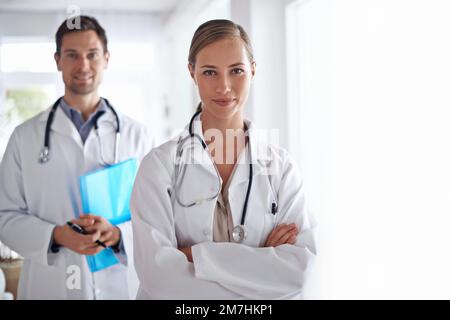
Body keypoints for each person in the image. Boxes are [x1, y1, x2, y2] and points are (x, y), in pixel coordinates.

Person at [130, 19, 316, 299]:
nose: (224, 86)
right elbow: (160, 279)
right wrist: (260, 260)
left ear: (253, 71)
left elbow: (299, 272)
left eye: (237, 71)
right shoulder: (159, 166)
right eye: (209, 72)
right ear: (192, 72)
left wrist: (195, 257)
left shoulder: (281, 168)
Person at [0, 15, 153, 299]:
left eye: (92, 54)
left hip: (118, 285)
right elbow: (4, 216)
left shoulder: (138, 136)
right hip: (50, 286)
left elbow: (157, 218)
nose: (83, 65)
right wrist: (55, 235)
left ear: (106, 58)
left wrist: (119, 235)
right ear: (57, 60)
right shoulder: (25, 137)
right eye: (72, 55)